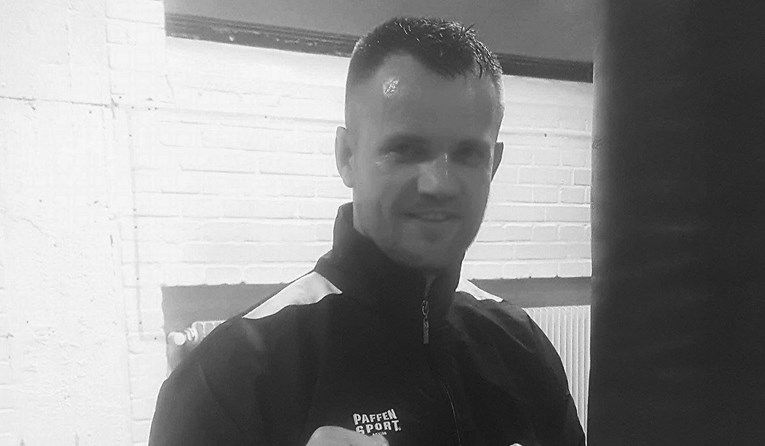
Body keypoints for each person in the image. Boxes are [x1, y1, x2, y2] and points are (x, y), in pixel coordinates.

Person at [149, 16, 585, 446]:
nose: (438, 184)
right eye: (405, 150)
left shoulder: (520, 346)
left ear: (495, 163)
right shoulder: (233, 374)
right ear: (346, 157)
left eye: (469, 154)